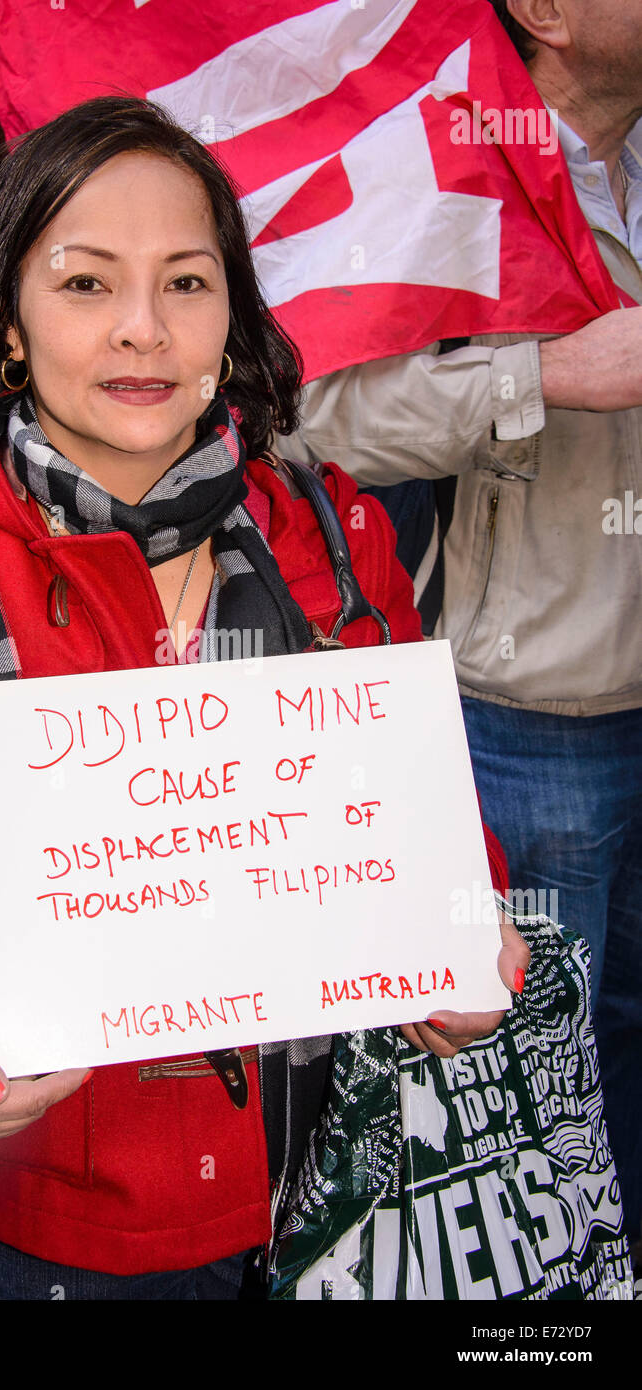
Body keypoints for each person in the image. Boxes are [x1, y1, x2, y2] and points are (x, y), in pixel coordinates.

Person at [0, 95, 525, 1300]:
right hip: (56, 1235)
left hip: (334, 1179)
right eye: (84, 284)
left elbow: (420, 801)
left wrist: (464, 924)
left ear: (231, 316)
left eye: (186, 282)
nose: (143, 329)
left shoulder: (333, 537)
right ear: (9, 323)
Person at [280, 0, 642, 1256]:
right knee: (519, 1097)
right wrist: (543, 375)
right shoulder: (428, 171)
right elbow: (303, 420)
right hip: (528, 716)